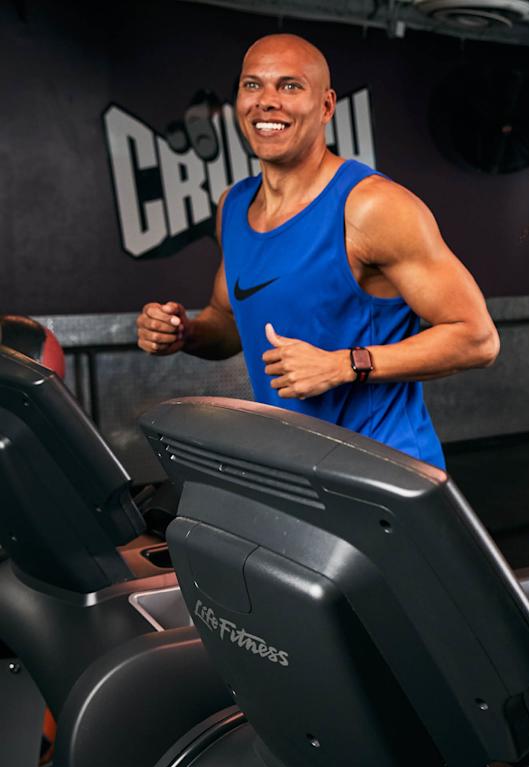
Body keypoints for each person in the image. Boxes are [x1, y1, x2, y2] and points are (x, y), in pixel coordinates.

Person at [135, 34, 498, 469]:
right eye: (253, 85)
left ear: (326, 106)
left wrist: (344, 365)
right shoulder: (232, 207)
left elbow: (477, 339)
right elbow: (228, 321)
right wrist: (185, 334)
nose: (267, 101)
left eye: (290, 86)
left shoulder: (372, 206)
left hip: (386, 470)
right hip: (295, 466)